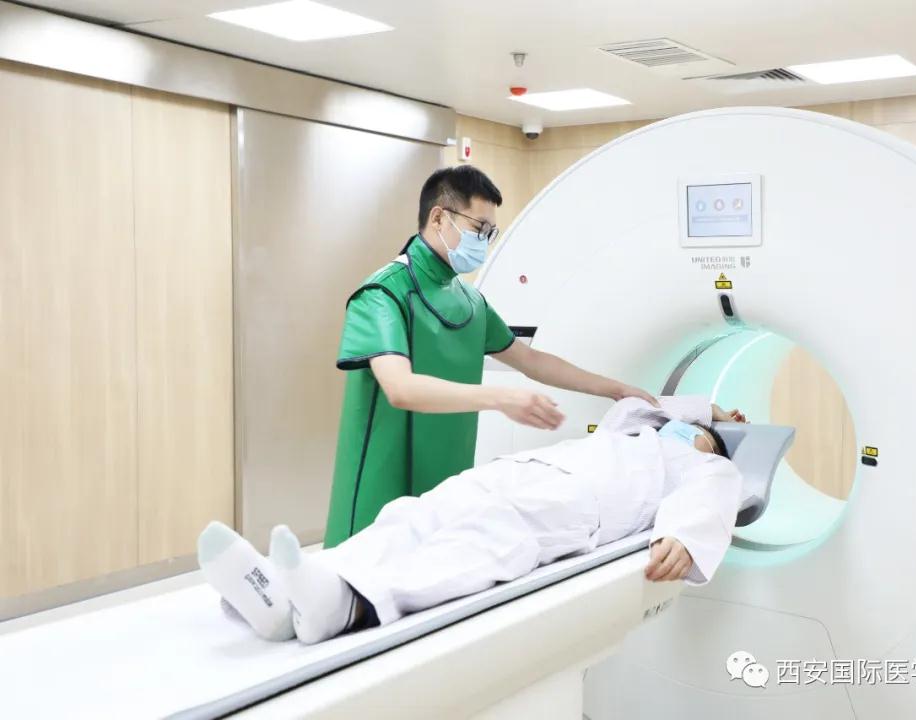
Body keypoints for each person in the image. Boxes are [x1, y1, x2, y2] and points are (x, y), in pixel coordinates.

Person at [198, 395, 748, 644]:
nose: (690, 434)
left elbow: (712, 497)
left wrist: (681, 536)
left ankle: (345, 604)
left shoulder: (701, 465)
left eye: (701, 435)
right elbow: (643, 403)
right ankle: (288, 593)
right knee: (416, 513)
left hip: (583, 502)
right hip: (526, 469)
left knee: (486, 539)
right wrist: (711, 411)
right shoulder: (628, 426)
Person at [325, 165, 657, 548]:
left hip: (445, 481)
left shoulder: (470, 301)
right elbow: (400, 389)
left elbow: (531, 361)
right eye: (478, 228)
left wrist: (616, 389)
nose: (483, 241)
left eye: (490, 233)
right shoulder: (382, 294)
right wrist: (501, 398)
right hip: (380, 483)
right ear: (439, 217)